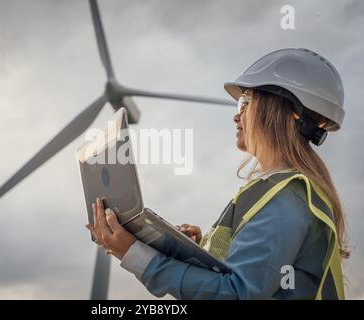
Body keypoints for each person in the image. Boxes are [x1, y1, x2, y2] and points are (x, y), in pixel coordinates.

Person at [85, 48, 349, 299]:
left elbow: (237, 293)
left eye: (246, 102)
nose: (237, 116)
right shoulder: (281, 191)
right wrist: (197, 248)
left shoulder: (287, 198)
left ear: (277, 110)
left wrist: (135, 255)